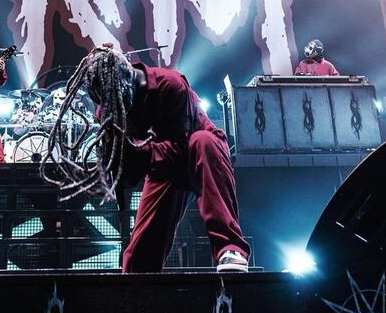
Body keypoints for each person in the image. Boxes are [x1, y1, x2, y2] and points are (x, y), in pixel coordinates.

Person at [43, 45, 250, 273]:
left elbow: (182, 148)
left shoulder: (170, 83)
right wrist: (113, 167)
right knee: (137, 261)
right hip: (163, 168)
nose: (109, 105)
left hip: (199, 154)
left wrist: (139, 152)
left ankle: (231, 249)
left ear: (125, 82)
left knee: (203, 141)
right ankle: (138, 286)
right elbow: (129, 168)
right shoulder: (110, 111)